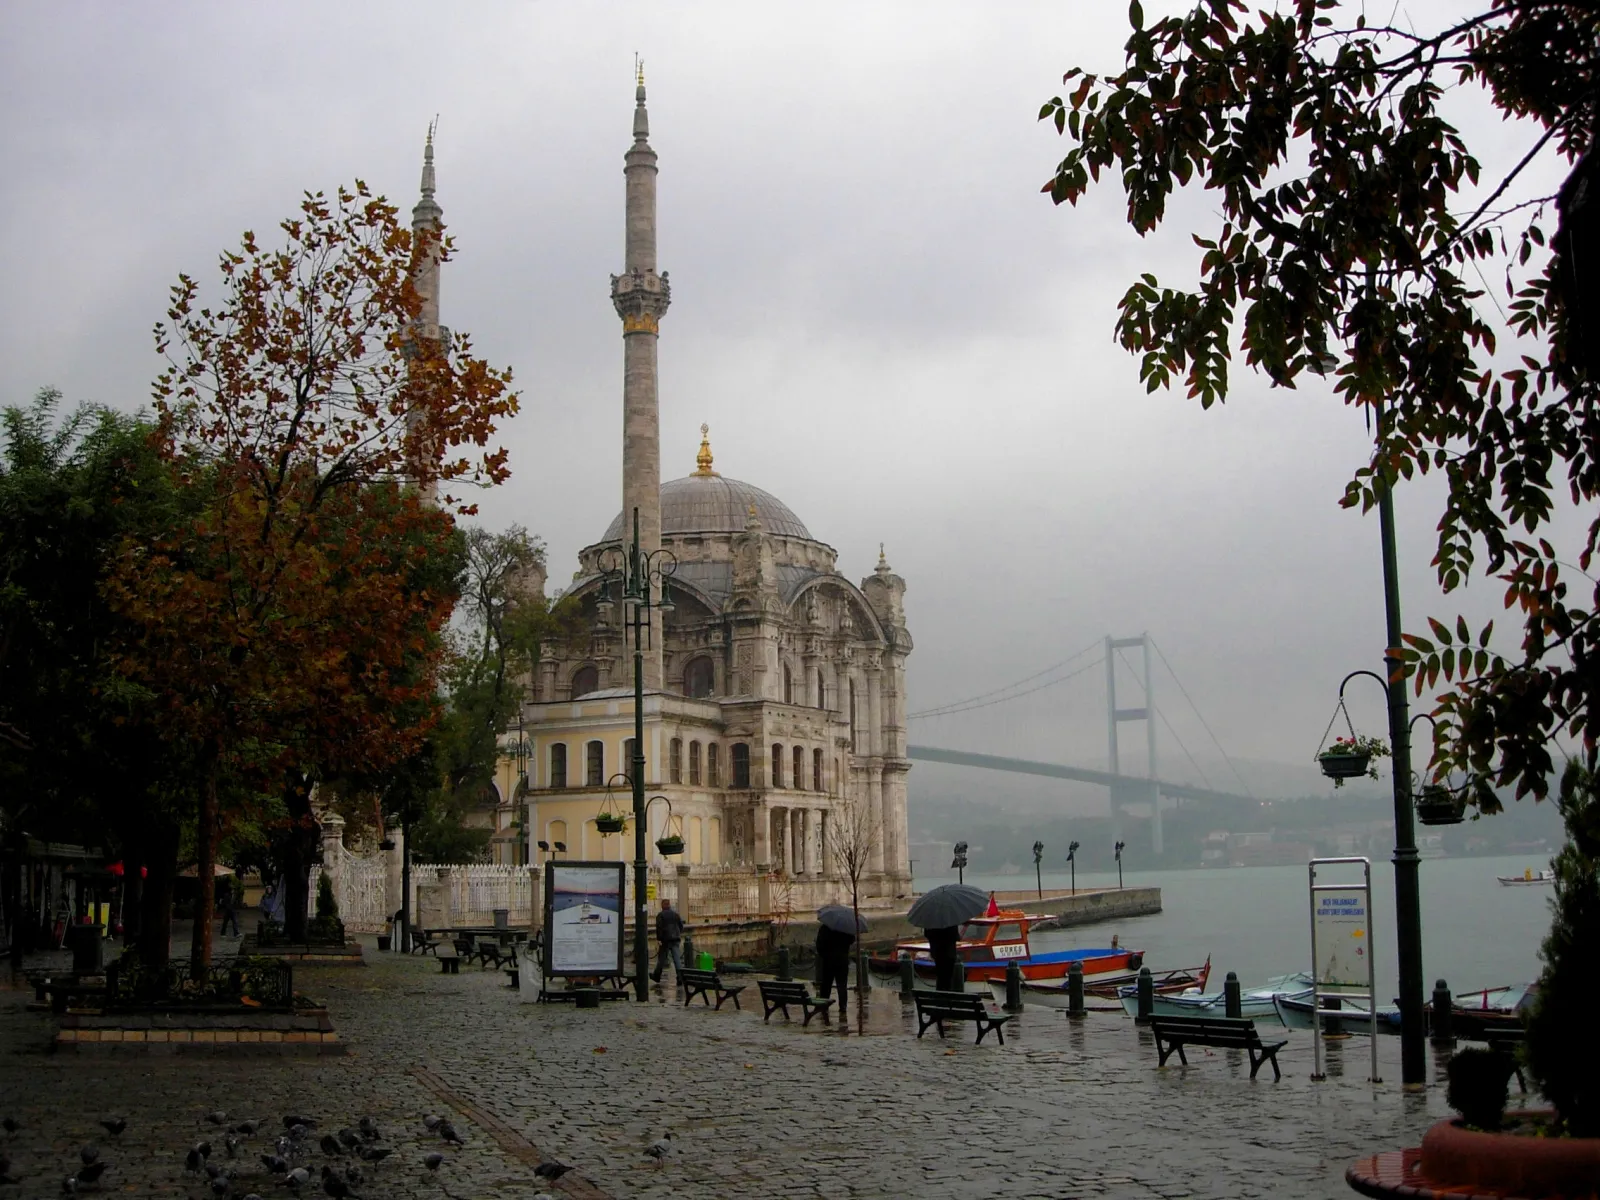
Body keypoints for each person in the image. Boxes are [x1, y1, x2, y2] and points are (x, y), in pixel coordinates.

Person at [815, 922, 855, 1015]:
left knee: (826, 985)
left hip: (828, 960)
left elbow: (819, 945)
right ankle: (843, 1007)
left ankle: (824, 1005)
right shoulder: (846, 928)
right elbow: (851, 940)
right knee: (842, 985)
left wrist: (824, 955)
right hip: (842, 961)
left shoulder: (825, 928)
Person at [649, 898, 685, 985]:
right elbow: (681, 926)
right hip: (675, 939)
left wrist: (659, 939)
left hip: (665, 940)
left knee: (661, 959)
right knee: (677, 959)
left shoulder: (660, 915)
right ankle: (680, 977)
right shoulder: (676, 914)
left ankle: (657, 976)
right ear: (669, 905)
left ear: (662, 906)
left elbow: (659, 928)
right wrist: (677, 933)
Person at [926, 925, 961, 992]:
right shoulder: (950, 921)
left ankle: (940, 994)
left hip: (937, 952)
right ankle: (947, 995)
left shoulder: (931, 922)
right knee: (948, 978)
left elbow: (927, 934)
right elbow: (956, 936)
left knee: (940, 976)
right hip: (949, 953)